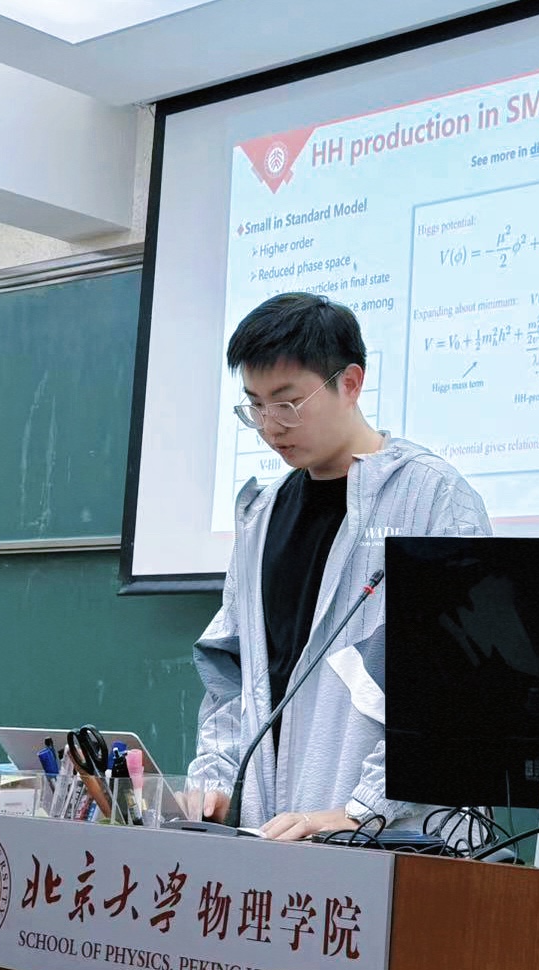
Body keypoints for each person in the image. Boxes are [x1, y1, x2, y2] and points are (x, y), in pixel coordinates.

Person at [189, 292, 491, 840]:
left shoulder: (432, 498)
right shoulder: (262, 514)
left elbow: (457, 685)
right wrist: (216, 778)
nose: (270, 426)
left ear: (350, 383)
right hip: (275, 841)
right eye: (255, 406)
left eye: (287, 403)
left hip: (401, 843)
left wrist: (363, 810)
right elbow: (233, 673)